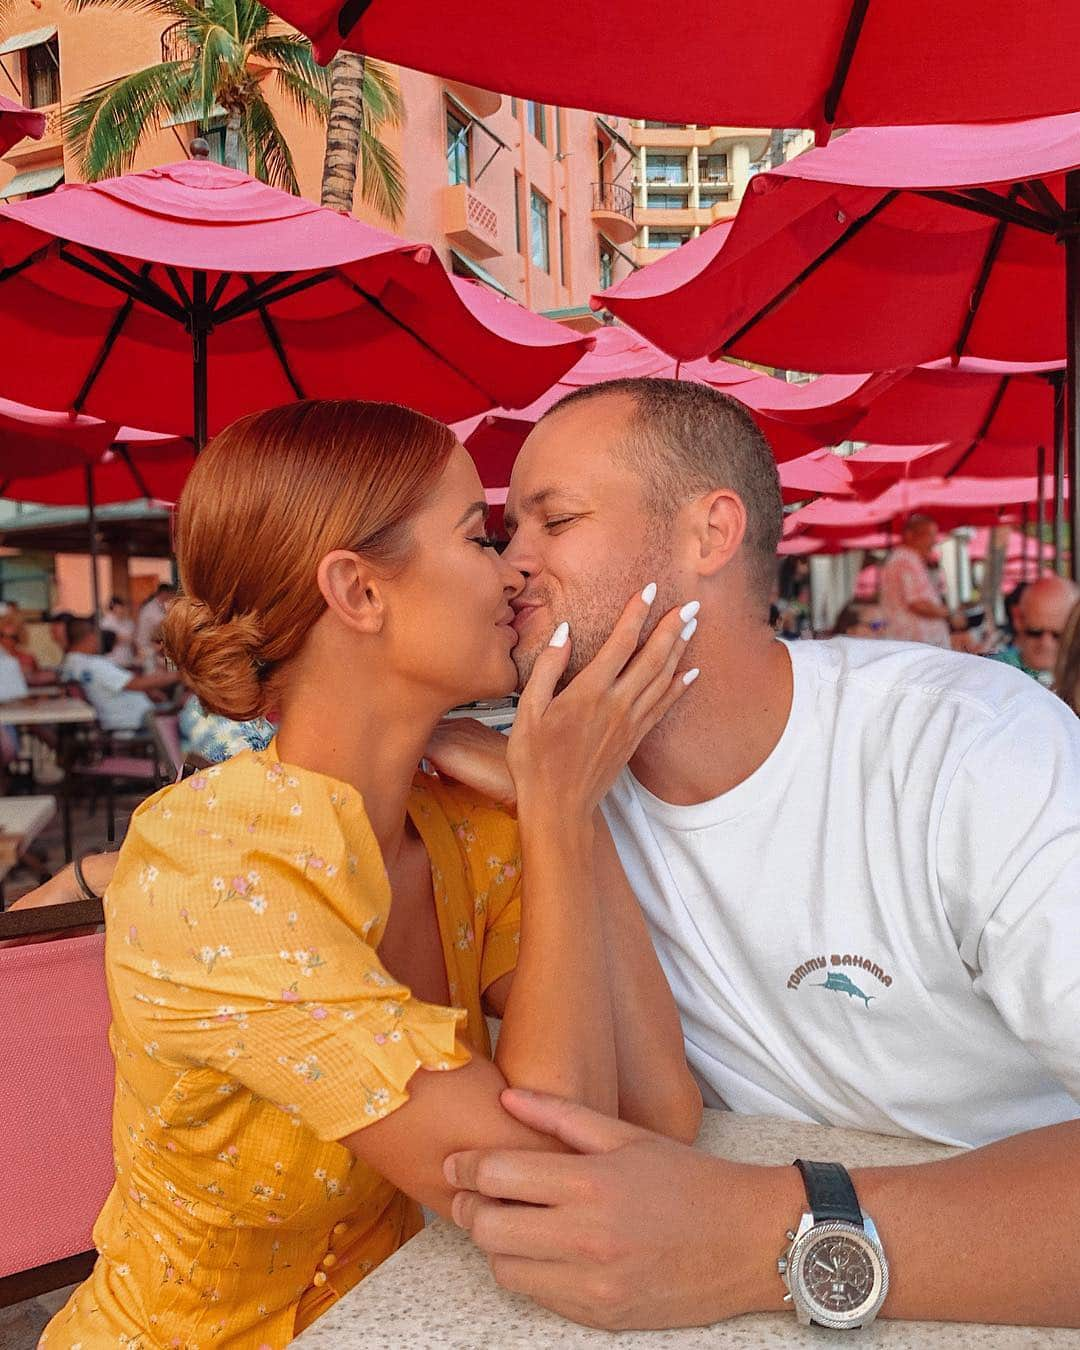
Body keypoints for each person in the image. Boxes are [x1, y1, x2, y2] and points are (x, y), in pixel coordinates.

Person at [417, 378, 1079, 1331]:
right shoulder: (519, 778)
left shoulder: (965, 749)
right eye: (501, 532)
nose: (508, 568)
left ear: (710, 534)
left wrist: (764, 1235)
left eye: (552, 521)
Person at [40, 400, 700, 1350]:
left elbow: (658, 1111)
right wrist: (556, 808)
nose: (518, 567)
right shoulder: (216, 877)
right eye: (481, 536)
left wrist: (563, 806)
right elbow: (555, 1190)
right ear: (357, 592)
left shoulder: (465, 826)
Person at [60, 616, 182, 733]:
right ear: (91, 637)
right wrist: (180, 675)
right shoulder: (92, 665)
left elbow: (125, 683)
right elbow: (136, 684)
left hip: (133, 720)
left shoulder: (71, 664)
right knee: (190, 712)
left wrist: (149, 691)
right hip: (137, 724)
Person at [878, 515, 962, 647]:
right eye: (929, 535)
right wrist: (950, 614)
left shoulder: (907, 558)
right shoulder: (905, 560)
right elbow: (917, 603)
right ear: (910, 535)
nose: (934, 541)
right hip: (917, 644)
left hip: (916, 645)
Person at [988, 574, 1080, 687]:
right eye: (1035, 632)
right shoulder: (995, 670)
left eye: (1058, 635)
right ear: (1018, 620)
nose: (1046, 643)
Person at [133, 581, 175, 670]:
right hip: (147, 648)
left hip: (155, 648)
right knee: (153, 673)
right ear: (164, 593)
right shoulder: (151, 608)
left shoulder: (159, 606)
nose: (172, 597)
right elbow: (164, 623)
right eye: (171, 594)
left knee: (169, 668)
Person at [100, 594, 136, 667]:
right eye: (118, 607)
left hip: (127, 659)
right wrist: (121, 638)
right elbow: (110, 638)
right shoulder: (105, 622)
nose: (121, 610)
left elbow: (133, 638)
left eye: (123, 607)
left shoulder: (128, 622)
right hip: (112, 661)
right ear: (113, 608)